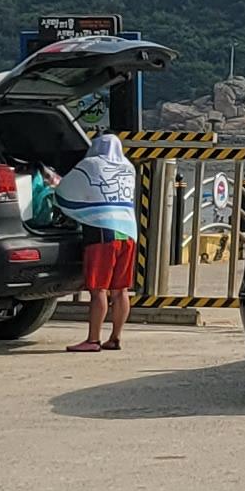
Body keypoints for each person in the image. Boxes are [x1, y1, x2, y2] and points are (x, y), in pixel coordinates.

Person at [60, 121, 140, 352]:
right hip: (128, 232)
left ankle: (93, 340)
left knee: (99, 290)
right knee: (121, 290)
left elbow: (64, 190)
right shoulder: (128, 166)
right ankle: (115, 337)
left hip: (102, 231)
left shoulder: (90, 164)